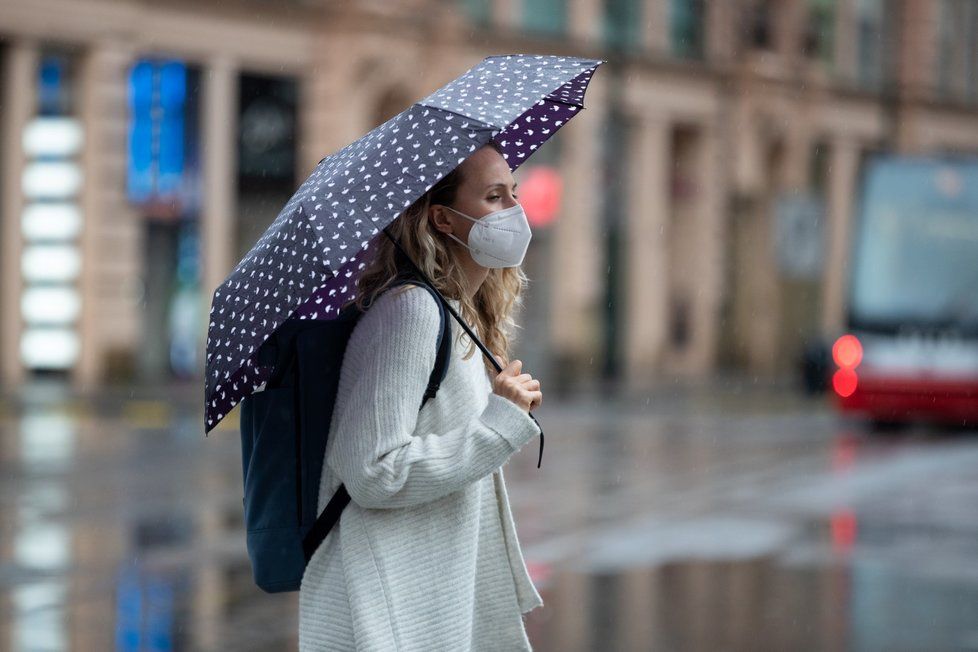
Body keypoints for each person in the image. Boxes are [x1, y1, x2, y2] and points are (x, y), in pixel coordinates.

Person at [298, 140, 546, 651]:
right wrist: (498, 425)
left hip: (426, 602)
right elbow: (372, 470)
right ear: (444, 219)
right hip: (384, 611)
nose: (516, 212)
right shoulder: (410, 314)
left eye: (514, 194)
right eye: (495, 197)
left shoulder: (459, 314)